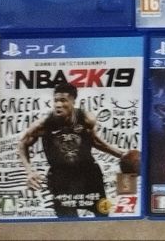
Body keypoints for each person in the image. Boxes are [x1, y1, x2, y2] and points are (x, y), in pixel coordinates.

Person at [18, 82, 125, 217]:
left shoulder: (86, 119)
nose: (58, 104)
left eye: (63, 100)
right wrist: (29, 172)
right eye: (56, 100)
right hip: (61, 178)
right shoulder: (44, 124)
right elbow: (22, 143)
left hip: (88, 174)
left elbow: (95, 141)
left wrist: (121, 154)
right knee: (67, 220)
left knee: (102, 215)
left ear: (73, 101)